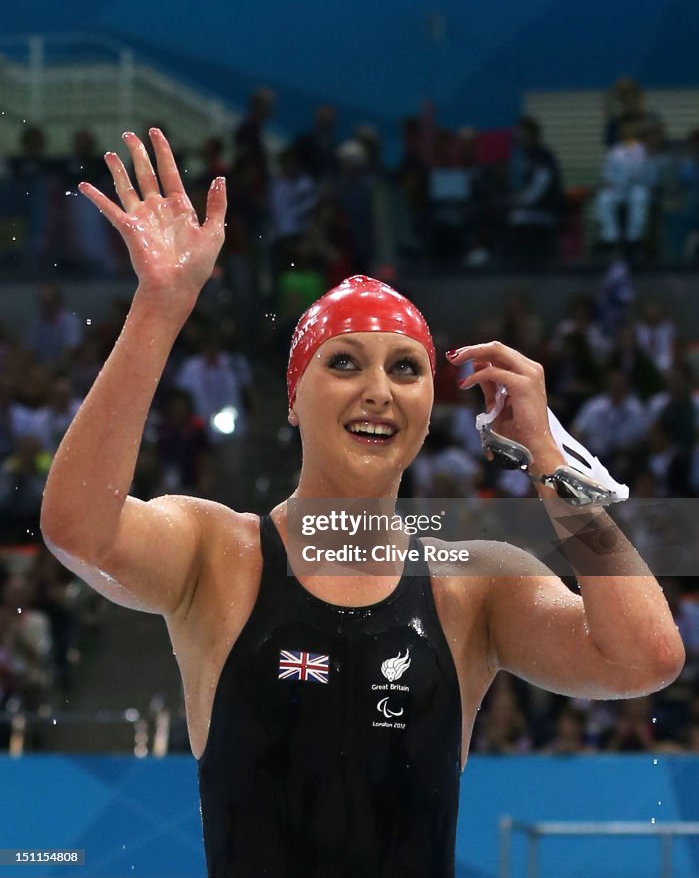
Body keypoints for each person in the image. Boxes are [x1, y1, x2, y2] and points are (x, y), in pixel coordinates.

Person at [41, 129, 685, 878]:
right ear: (293, 397)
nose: (378, 389)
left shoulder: (471, 584)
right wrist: (159, 308)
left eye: (406, 368)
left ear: (425, 404)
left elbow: (644, 656)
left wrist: (547, 459)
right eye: (343, 362)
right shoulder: (218, 554)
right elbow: (77, 528)